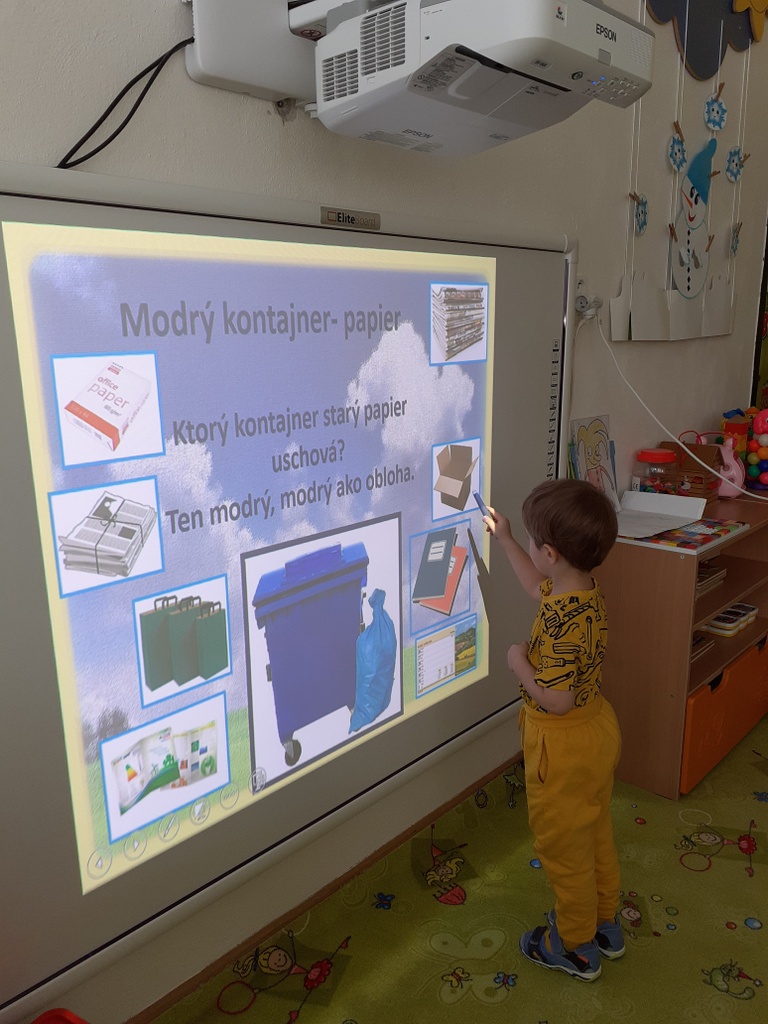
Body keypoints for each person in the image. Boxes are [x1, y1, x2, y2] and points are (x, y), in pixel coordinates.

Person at [483, 478, 623, 982]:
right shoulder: (580, 591)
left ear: (550, 553)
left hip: (561, 747)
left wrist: (517, 661)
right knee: (594, 830)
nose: (529, 546)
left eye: (531, 539)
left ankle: (576, 946)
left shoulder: (563, 622)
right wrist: (505, 539)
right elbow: (534, 585)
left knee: (564, 849)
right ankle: (605, 923)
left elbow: (557, 700)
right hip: (596, 731)